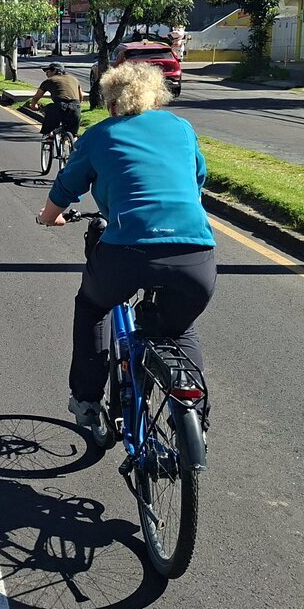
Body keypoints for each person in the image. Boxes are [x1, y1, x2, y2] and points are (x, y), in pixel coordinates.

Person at [34, 62, 215, 436]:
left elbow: (66, 187)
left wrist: (50, 217)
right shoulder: (181, 128)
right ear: (154, 97)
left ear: (111, 102)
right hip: (195, 253)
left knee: (93, 307)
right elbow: (198, 179)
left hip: (126, 251)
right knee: (179, 330)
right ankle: (194, 418)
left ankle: (86, 399)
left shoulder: (101, 135)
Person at [25, 62, 83, 138]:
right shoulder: (74, 79)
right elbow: (80, 97)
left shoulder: (49, 81)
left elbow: (36, 97)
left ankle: (48, 138)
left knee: (49, 111)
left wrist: (33, 106)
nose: (46, 74)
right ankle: (71, 143)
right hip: (76, 107)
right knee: (72, 134)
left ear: (55, 71)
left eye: (48, 71)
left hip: (59, 106)